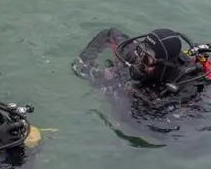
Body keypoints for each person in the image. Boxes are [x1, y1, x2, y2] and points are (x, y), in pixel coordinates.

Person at [72, 27, 211, 119]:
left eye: (147, 58)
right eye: (140, 51)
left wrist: (122, 93)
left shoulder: (188, 86)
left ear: (164, 64)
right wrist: (85, 63)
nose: (139, 60)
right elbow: (110, 34)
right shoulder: (136, 56)